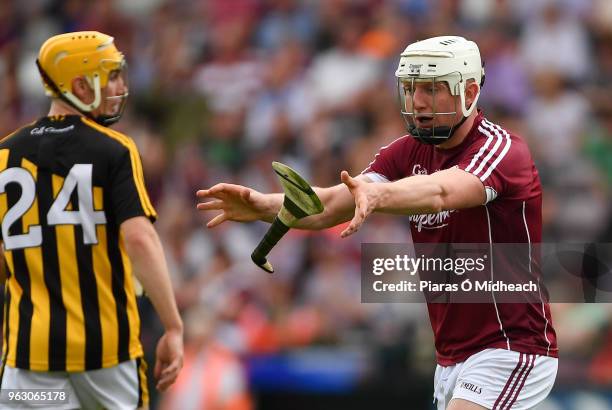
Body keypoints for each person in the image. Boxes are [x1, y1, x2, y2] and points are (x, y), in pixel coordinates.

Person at [197, 36, 558, 409]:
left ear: (468, 92)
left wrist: (379, 196)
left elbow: (442, 192)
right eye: (412, 88)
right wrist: (264, 205)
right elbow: (332, 202)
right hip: (452, 358)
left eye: (432, 89)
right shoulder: (405, 151)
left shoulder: (501, 150)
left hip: (511, 345)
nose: (418, 101)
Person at [0, 31, 183, 409]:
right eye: (110, 75)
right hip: (108, 355)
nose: (119, 85)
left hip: (28, 357)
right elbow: (140, 239)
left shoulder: (3, 155)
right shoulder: (115, 150)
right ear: (80, 86)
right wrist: (173, 326)